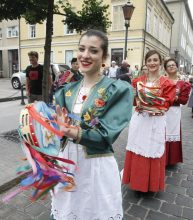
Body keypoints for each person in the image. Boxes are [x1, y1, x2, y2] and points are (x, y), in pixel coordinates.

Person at [51, 29, 133, 219]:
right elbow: (58, 130)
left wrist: (70, 130)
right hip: (66, 162)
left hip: (95, 165)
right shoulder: (66, 90)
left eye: (93, 51)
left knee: (94, 211)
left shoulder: (118, 90)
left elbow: (106, 135)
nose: (85, 55)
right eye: (82, 49)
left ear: (104, 56)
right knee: (67, 210)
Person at [122, 50, 176, 193]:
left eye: (155, 60)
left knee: (152, 148)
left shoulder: (167, 83)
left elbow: (167, 104)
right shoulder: (137, 81)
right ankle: (136, 181)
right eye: (149, 60)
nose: (152, 63)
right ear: (145, 63)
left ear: (160, 63)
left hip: (155, 121)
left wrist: (153, 105)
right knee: (137, 147)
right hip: (140, 120)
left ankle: (150, 184)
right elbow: (133, 101)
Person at [164, 58, 191, 166]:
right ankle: (161, 157)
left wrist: (174, 98)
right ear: (165, 68)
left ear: (177, 67)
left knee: (172, 133)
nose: (171, 66)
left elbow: (184, 101)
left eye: (173, 65)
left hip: (174, 111)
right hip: (162, 110)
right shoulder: (162, 81)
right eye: (169, 65)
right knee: (161, 132)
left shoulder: (182, 83)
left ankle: (171, 159)